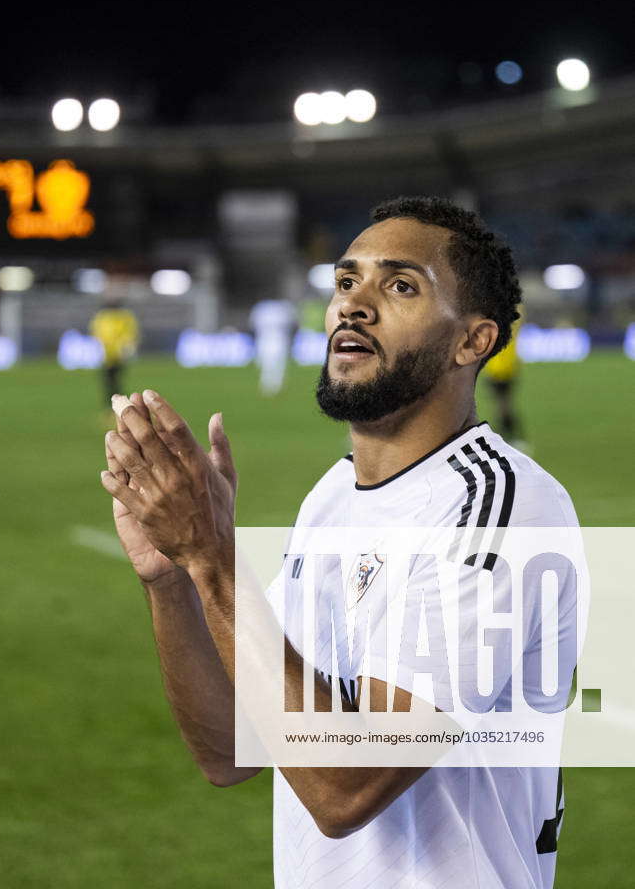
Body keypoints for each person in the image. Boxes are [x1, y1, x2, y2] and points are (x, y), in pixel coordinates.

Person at [100, 195, 578, 889]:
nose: (354, 304)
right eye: (346, 281)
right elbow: (231, 753)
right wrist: (172, 578)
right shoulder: (332, 498)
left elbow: (342, 786)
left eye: (400, 285)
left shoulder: (499, 508)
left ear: (471, 341)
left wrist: (214, 558)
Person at [483, 312, 528, 447]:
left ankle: (509, 434)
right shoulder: (507, 325)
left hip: (500, 369)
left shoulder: (495, 325)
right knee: (503, 404)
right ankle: (509, 434)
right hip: (501, 368)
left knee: (503, 404)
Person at [89, 298, 140, 415]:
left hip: (115, 355)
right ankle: (115, 408)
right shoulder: (117, 317)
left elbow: (130, 334)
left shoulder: (109, 317)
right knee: (111, 382)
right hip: (108, 355)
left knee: (113, 382)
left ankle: (117, 408)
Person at [249, 297, 297, 395]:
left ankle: (270, 386)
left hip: (267, 340)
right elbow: (292, 324)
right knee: (274, 364)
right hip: (276, 340)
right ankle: (273, 386)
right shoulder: (283, 309)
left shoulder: (260, 309)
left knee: (269, 363)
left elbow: (252, 325)